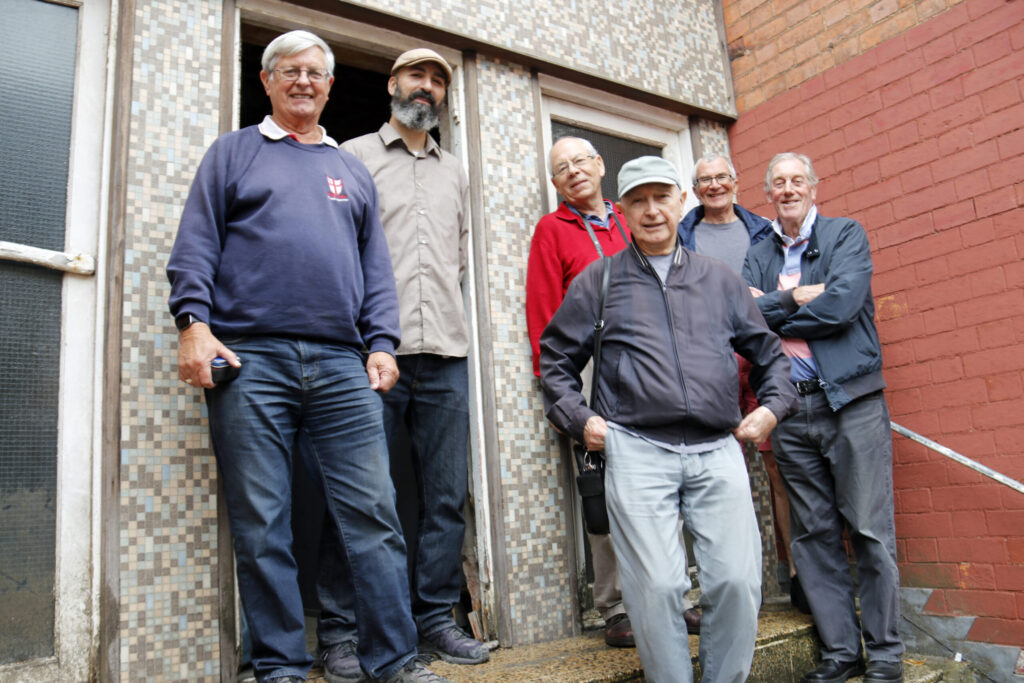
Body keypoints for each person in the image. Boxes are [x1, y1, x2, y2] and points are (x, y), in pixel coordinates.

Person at [167, 30, 451, 683]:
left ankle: (394, 658)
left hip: (341, 364)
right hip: (249, 361)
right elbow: (195, 243)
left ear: (328, 86)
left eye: (315, 73)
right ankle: (280, 665)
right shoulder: (233, 153)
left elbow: (375, 268)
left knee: (374, 514)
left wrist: (382, 343)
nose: (303, 81)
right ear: (266, 81)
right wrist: (193, 324)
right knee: (263, 519)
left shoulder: (350, 170)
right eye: (289, 70)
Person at [541, 156, 798, 682]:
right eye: (638, 200)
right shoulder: (599, 279)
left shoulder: (719, 279)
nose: (652, 210)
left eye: (662, 197)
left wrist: (771, 408)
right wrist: (581, 419)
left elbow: (770, 356)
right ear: (623, 211)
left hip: (717, 446)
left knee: (737, 583)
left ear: (683, 201)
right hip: (636, 447)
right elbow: (555, 361)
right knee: (657, 587)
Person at [313, 48, 486, 683]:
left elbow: (459, 257)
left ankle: (435, 618)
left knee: (444, 497)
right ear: (393, 85)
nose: (428, 87)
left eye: (439, 80)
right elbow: (334, 249)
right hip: (369, 354)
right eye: (417, 75)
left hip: (445, 350)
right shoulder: (350, 156)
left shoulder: (456, 171)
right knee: (357, 498)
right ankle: (341, 631)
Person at [743, 152, 905, 683]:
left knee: (868, 531)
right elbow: (742, 319)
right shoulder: (758, 251)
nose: (788, 189)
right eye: (778, 183)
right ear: (769, 194)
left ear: (813, 187)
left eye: (797, 180)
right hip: (789, 407)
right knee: (812, 536)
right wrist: (795, 294)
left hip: (850, 402)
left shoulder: (844, 236)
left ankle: (884, 657)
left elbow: (843, 305)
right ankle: (841, 653)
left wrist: (776, 306)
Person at [527, 136, 652, 647]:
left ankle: (675, 596)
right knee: (602, 491)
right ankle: (616, 608)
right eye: (562, 168)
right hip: (588, 373)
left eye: (581, 161)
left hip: (648, 367)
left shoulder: (630, 219)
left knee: (661, 484)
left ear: (602, 166)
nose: (574, 171)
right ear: (555, 184)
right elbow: (543, 313)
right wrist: (560, 399)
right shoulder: (551, 229)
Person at [678, 154, 805, 611]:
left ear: (736, 181)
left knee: (779, 466)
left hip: (762, 353)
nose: (714, 185)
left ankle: (796, 573)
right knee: (704, 463)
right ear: (694, 190)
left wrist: (771, 302)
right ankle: (713, 583)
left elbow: (776, 297)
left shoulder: (762, 230)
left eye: (721, 177)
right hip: (708, 359)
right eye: (704, 180)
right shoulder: (681, 235)